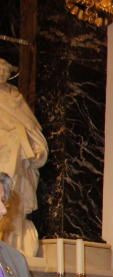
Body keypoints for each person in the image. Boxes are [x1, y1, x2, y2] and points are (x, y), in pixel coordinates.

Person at [0, 59, 46, 257]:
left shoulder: (15, 97)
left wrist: (34, 147)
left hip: (16, 158)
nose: (2, 73)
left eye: (5, 70)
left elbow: (32, 127)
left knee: (14, 196)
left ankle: (14, 237)